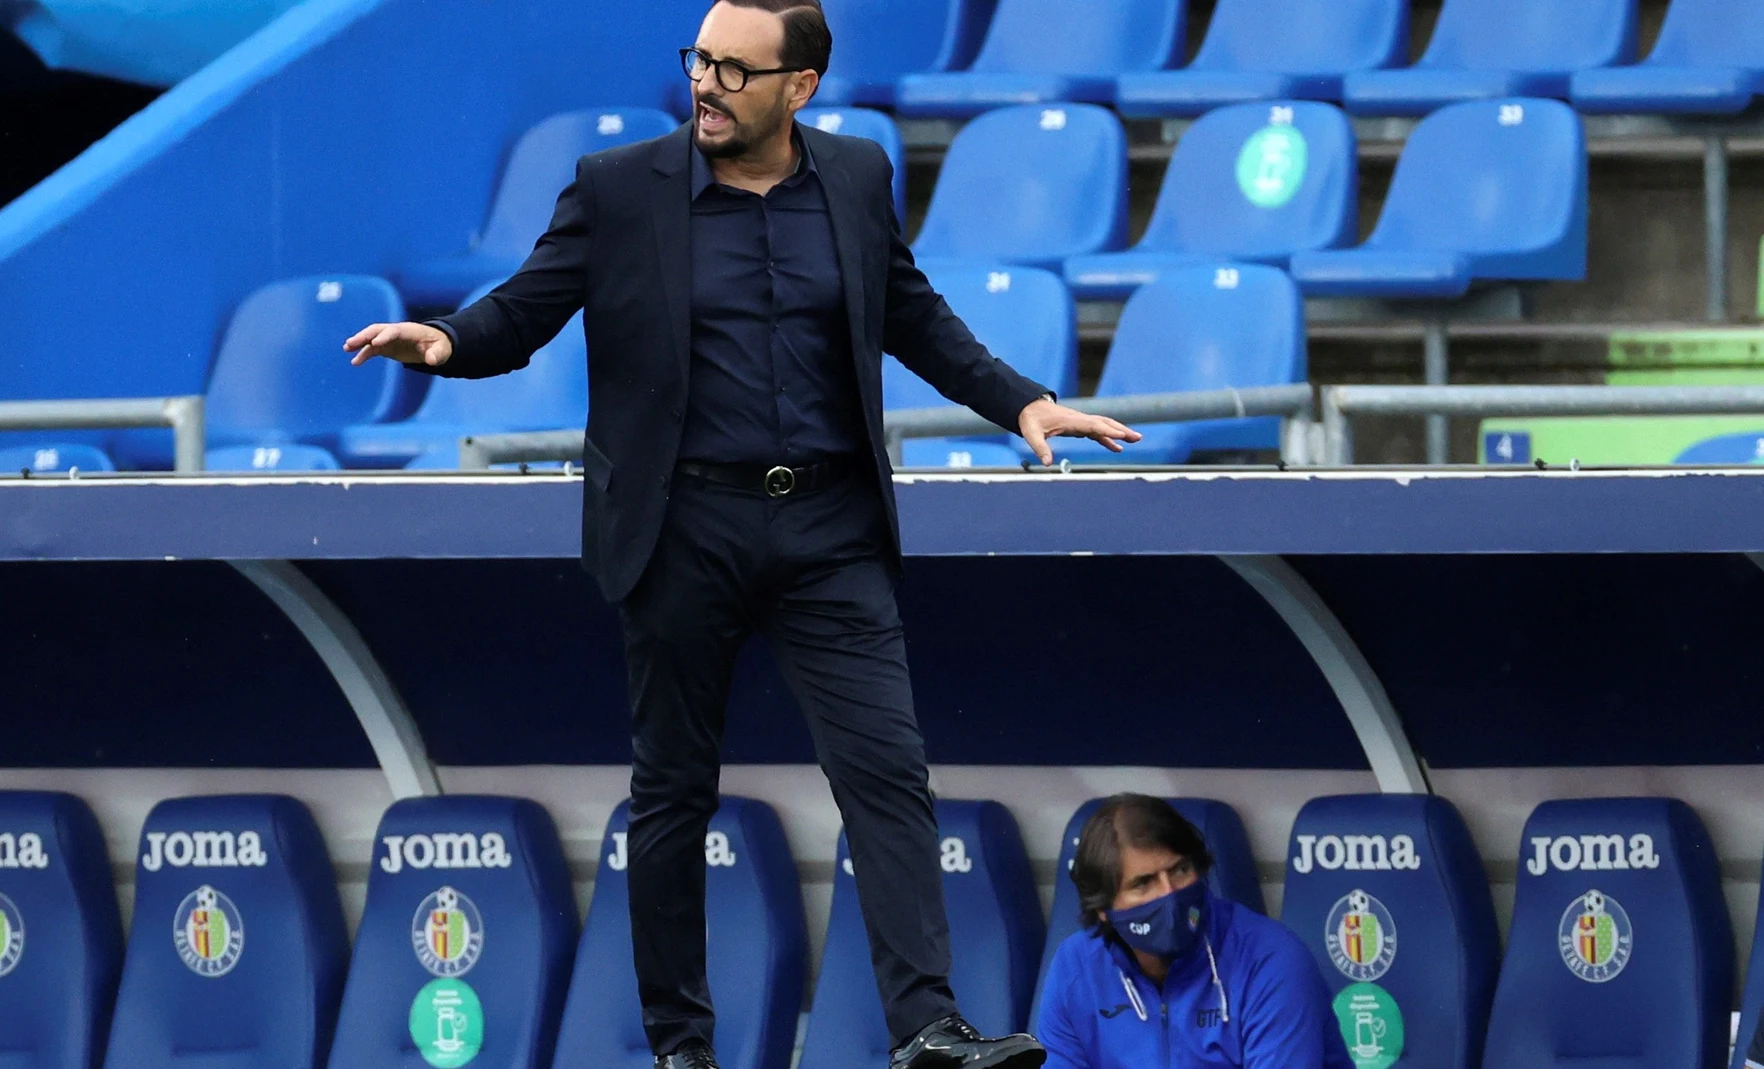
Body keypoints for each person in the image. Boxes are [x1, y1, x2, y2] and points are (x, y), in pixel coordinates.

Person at [346, 2, 1140, 1065]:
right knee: (674, 788)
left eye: (734, 69)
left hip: (827, 523)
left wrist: (1022, 402)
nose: (706, 84)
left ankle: (927, 1029)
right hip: (682, 524)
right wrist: (442, 339)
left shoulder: (855, 179)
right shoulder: (619, 188)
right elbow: (526, 309)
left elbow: (911, 315)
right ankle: (682, 1042)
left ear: (799, 88)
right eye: (700, 60)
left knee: (887, 770)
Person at [1036, 796, 1351, 1069]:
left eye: (1180, 870)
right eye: (1143, 883)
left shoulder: (1270, 961)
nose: (1169, 895)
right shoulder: (1075, 969)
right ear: (1103, 907)